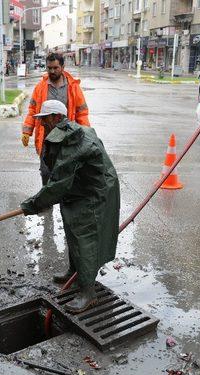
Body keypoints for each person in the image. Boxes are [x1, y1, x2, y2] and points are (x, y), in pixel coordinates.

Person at [20, 100, 120, 314]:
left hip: (94, 192)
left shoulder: (74, 140)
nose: (42, 124)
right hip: (80, 189)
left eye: (45, 119)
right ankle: (74, 272)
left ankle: (88, 292)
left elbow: (58, 184)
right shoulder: (69, 132)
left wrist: (32, 205)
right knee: (72, 230)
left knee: (85, 238)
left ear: (57, 117)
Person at [22, 52, 90, 186]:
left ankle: (66, 204)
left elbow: (82, 113)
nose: (52, 71)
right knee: (46, 172)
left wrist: (86, 134)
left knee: (67, 174)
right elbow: (32, 111)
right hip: (46, 138)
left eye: (55, 68)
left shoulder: (73, 87)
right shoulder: (40, 87)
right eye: (49, 68)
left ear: (62, 67)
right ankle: (47, 204)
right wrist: (27, 131)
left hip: (66, 139)